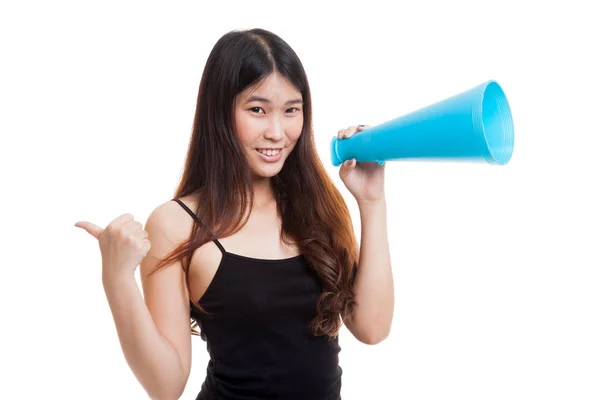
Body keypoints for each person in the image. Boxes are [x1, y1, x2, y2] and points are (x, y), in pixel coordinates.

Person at [75, 28, 394, 400]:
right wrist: (117, 277)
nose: (277, 132)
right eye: (257, 110)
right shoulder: (176, 224)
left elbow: (372, 328)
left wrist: (371, 203)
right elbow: (166, 386)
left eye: (291, 110)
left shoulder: (317, 207)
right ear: (221, 113)